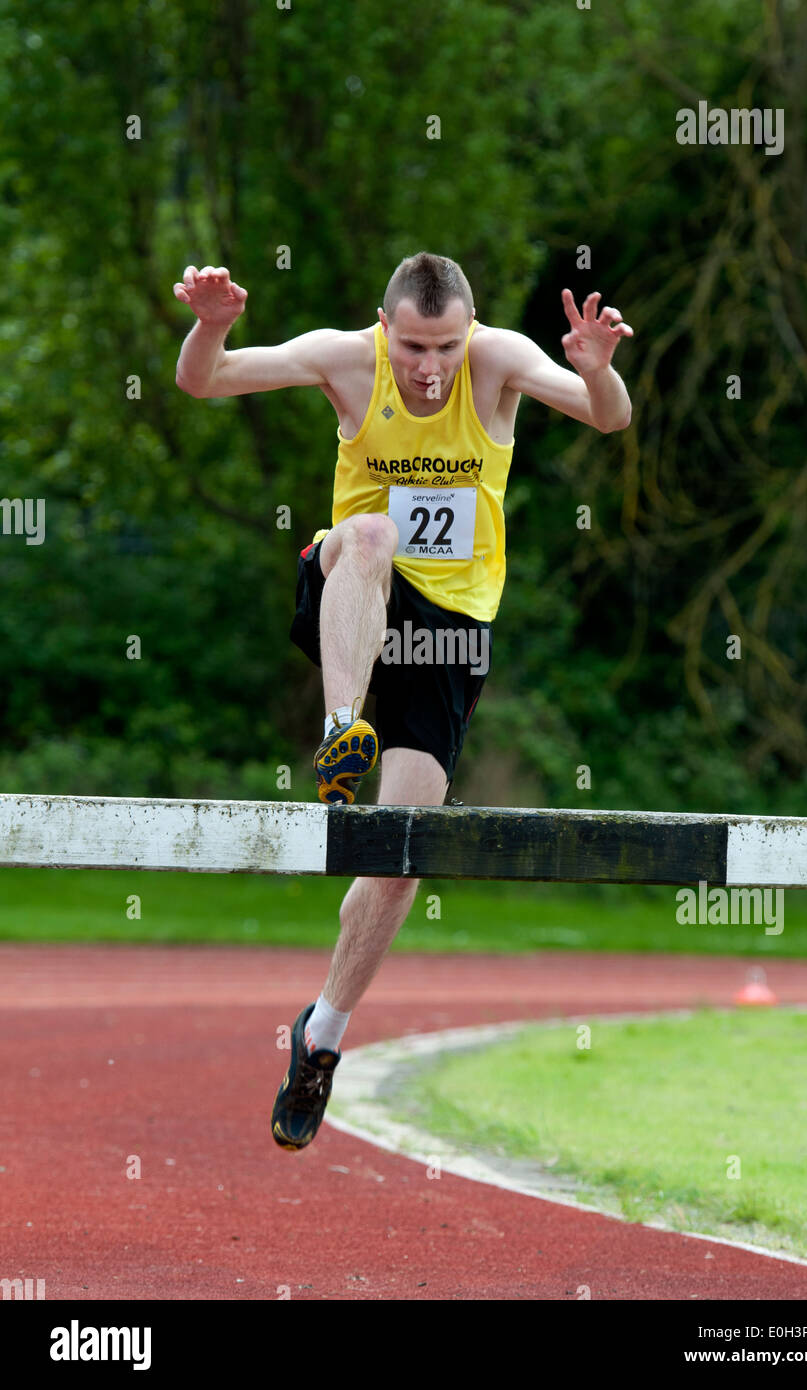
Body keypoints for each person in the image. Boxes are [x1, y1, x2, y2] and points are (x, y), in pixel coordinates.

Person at [173, 252, 633, 1152]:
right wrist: (212, 325)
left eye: (447, 348)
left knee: (399, 859)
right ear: (387, 333)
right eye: (416, 348)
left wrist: (598, 373)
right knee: (373, 530)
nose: (430, 369)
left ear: (472, 332)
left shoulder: (498, 360)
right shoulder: (350, 359)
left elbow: (608, 421)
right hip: (352, 588)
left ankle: (321, 1039)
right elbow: (205, 382)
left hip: (451, 632)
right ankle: (343, 728)